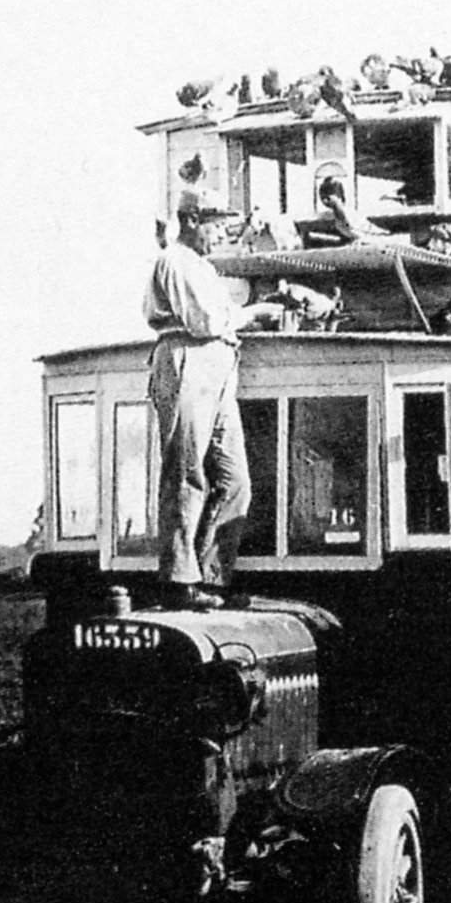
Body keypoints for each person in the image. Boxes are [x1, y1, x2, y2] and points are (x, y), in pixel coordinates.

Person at [142, 187, 279, 610]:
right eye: (218, 227)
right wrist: (257, 311)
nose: (221, 236)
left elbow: (218, 323)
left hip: (218, 365)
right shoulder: (174, 261)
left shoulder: (201, 267)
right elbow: (205, 322)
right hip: (187, 359)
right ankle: (178, 582)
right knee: (185, 473)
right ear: (195, 220)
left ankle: (211, 577)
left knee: (235, 479)